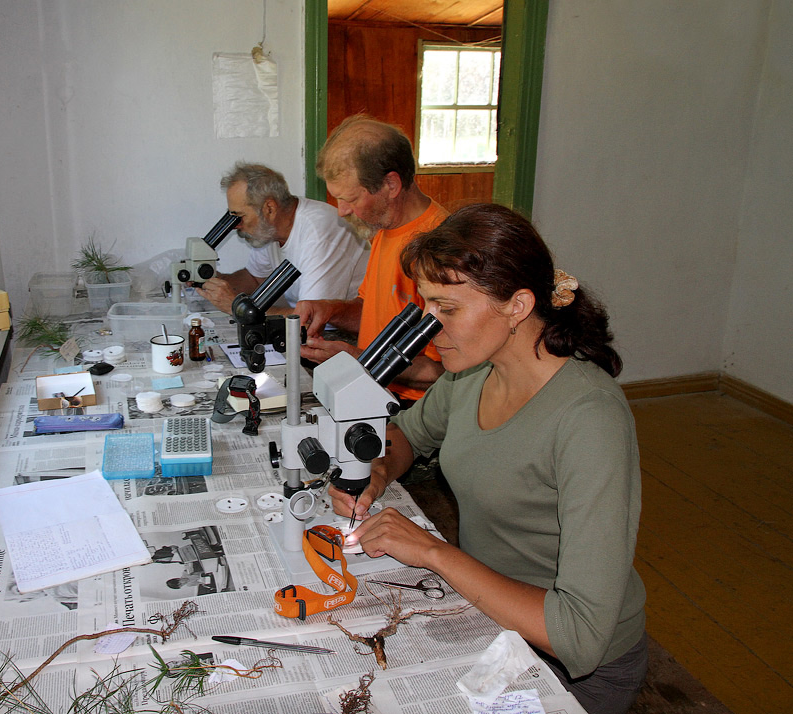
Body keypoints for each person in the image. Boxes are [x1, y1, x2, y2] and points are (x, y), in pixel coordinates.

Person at [332, 204, 647, 714]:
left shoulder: (590, 418)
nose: (430, 330)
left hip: (571, 666)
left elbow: (580, 633)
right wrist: (375, 472)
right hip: (487, 617)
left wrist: (434, 553)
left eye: (447, 309)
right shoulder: (472, 373)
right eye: (426, 308)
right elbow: (407, 433)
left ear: (518, 305)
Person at [294, 116, 448, 403]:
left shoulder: (439, 250)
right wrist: (331, 311)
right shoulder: (385, 228)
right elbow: (376, 313)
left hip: (412, 405)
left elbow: (444, 371)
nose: (341, 211)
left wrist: (359, 358)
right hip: (370, 383)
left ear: (391, 184)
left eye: (351, 199)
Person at [196, 162, 368, 315]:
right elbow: (255, 279)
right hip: (305, 326)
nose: (235, 226)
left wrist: (237, 307)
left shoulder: (320, 234)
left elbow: (310, 320)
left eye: (239, 217)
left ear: (269, 208)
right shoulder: (269, 230)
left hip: (338, 333)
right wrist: (213, 280)